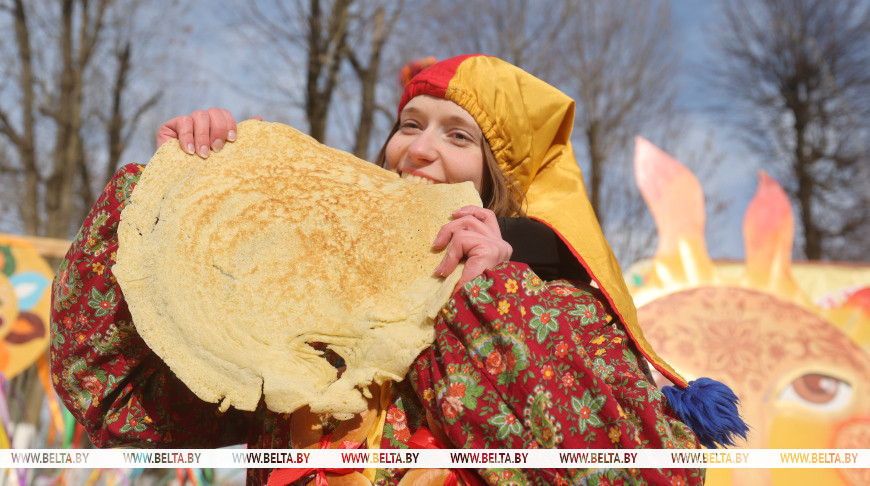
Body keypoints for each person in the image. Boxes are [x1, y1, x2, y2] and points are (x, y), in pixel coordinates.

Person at [51, 54, 745, 485]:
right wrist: (171, 200)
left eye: (457, 135)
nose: (417, 149)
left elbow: (648, 474)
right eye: (409, 124)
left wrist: (489, 299)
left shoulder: (556, 310)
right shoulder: (306, 307)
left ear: (497, 183)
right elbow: (117, 402)